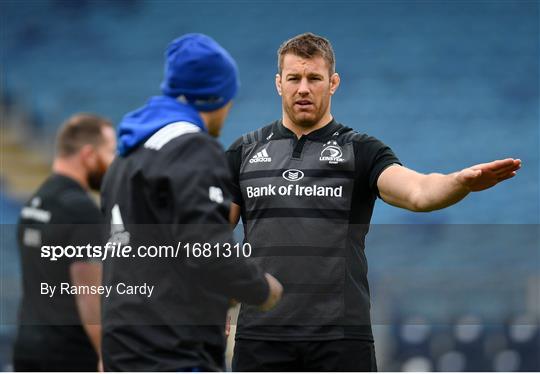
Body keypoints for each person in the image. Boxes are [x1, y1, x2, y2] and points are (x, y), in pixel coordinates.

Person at [226, 32, 521, 371]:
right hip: (261, 339)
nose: (303, 88)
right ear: (279, 83)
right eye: (294, 78)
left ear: (333, 82)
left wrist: (459, 182)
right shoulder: (243, 152)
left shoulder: (362, 150)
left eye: (314, 78)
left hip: (341, 339)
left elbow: (418, 192)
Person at [100, 33, 282, 371]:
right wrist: (259, 288)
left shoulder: (127, 154)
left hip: (122, 346)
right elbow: (206, 245)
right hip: (172, 350)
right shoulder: (192, 148)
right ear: (217, 96)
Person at [14, 114, 116, 371]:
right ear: (89, 154)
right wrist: (106, 353)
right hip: (69, 355)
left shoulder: (34, 203)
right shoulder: (81, 211)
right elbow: (88, 294)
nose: (114, 162)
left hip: (27, 349)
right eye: (111, 152)